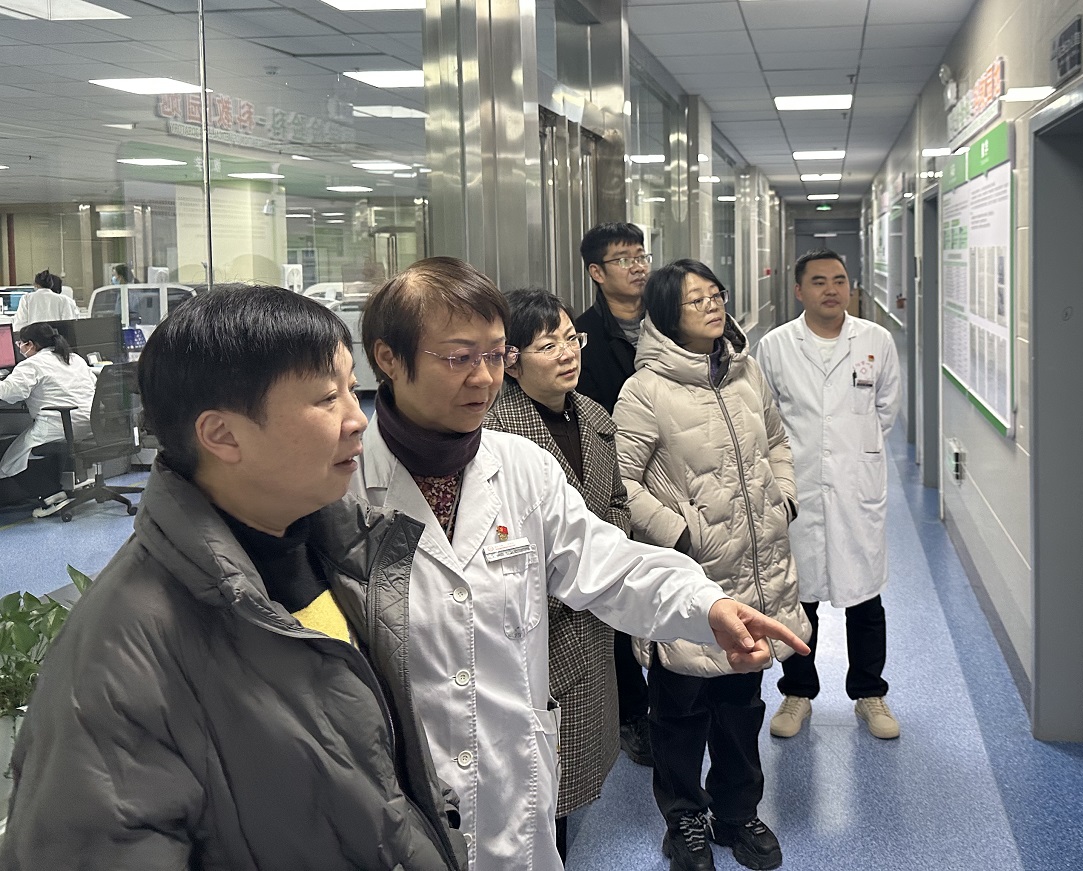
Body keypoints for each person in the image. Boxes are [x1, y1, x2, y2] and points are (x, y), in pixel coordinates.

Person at [351, 256, 808, 871]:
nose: (484, 377)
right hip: (396, 796)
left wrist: (706, 605)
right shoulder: (343, 487)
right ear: (387, 358)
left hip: (512, 786)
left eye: (494, 355)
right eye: (459, 358)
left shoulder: (522, 468)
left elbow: (607, 562)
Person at [1, 285, 467, 869]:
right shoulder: (120, 656)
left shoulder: (337, 551)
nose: (357, 420)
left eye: (353, 389)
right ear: (222, 435)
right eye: (328, 398)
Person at [614, 258, 812, 871]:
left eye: (715, 294)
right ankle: (685, 820)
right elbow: (622, 484)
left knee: (741, 707)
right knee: (680, 712)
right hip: (690, 581)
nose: (712, 305)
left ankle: (737, 813)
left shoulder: (746, 371)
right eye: (696, 299)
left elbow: (777, 440)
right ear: (666, 315)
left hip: (755, 573)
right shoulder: (646, 390)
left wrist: (783, 497)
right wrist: (680, 533)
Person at [480, 287, 624, 861]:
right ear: (511, 361)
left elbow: (615, 503)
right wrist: (568, 582)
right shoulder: (496, 433)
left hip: (595, 615)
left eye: (571, 338)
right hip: (535, 622)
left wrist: (605, 565)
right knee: (529, 778)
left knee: (573, 766)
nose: (568, 353)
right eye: (548, 345)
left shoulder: (594, 416)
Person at [756, 248, 904, 742]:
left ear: (850, 287)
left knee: (865, 599)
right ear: (799, 291)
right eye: (818, 281)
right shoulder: (776, 345)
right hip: (798, 486)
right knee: (800, 598)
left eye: (839, 280)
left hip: (856, 487)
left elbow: (885, 408)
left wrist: (853, 453)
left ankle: (869, 694)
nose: (831, 289)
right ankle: (798, 692)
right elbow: (765, 417)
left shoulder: (876, 340)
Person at [574, 221, 657, 766]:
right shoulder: (581, 337)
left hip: (670, 481)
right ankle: (632, 713)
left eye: (641, 255)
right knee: (622, 600)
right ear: (597, 273)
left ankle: (678, 698)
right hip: (610, 483)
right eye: (623, 258)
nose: (637, 266)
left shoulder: (668, 323)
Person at [0, 322, 96, 483]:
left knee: (10, 460)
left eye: (20, 343)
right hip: (91, 426)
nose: (20, 348)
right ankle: (56, 487)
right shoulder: (74, 359)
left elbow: (10, 393)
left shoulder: (32, 364)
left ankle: (38, 492)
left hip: (58, 428)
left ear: (30, 344)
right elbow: (93, 384)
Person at [12, 269, 79, 330]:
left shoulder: (26, 299)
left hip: (33, 338)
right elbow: (69, 325)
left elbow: (19, 325)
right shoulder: (65, 300)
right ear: (51, 284)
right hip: (57, 337)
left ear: (36, 285)